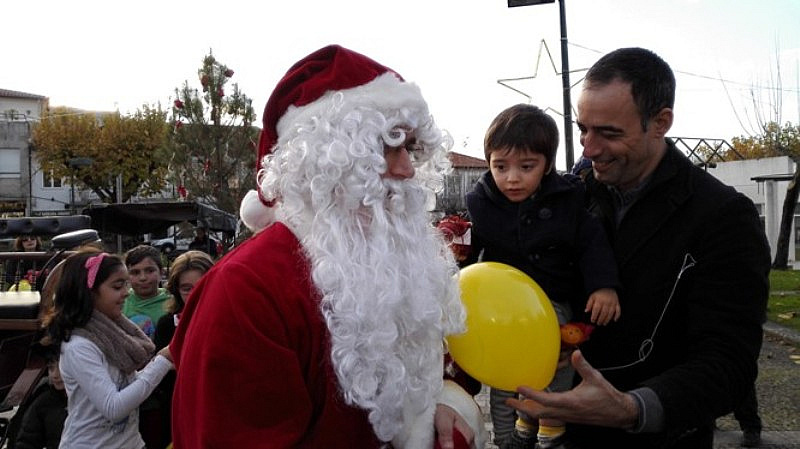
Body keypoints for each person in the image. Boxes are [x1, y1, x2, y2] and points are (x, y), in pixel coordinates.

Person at [170, 44, 486, 449]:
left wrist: (446, 400)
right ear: (324, 164)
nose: (407, 169)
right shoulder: (246, 290)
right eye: (388, 147)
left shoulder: (389, 262)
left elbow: (425, 370)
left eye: (410, 149)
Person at [507, 47, 771, 448]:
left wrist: (634, 408)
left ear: (661, 122)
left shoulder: (722, 215)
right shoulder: (567, 198)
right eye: (583, 129)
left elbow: (728, 363)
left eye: (609, 133)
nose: (588, 148)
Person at [464, 104, 620, 449]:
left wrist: (603, 285)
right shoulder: (482, 204)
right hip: (502, 313)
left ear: (547, 165)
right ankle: (508, 437)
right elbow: (472, 253)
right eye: (500, 167)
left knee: (556, 364)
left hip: (553, 304)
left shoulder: (567, 201)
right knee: (504, 376)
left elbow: (591, 243)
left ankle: (551, 427)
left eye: (526, 167)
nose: (512, 178)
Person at [40, 250, 173, 448]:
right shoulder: (79, 346)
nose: (126, 292)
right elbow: (113, 406)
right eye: (118, 286)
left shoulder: (114, 333)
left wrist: (160, 363)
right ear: (89, 292)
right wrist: (162, 361)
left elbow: (126, 385)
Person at [141, 250, 214, 449]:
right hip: (176, 414)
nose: (193, 294)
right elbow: (161, 377)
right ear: (176, 290)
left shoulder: (224, 321)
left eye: (200, 286)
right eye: (186, 288)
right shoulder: (167, 324)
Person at [122, 245, 170, 340]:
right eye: (135, 272)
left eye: (150, 271)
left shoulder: (172, 303)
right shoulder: (120, 302)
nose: (143, 278)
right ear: (127, 276)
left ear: (161, 273)